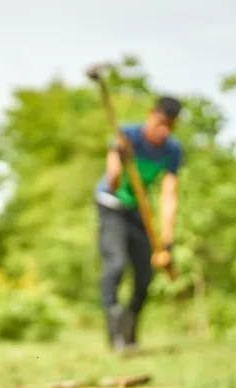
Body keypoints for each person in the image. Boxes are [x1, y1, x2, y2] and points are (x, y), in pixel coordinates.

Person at [93, 96, 183, 353]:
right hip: (110, 204)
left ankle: (129, 332)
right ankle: (115, 335)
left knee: (145, 274)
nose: (164, 130)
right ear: (150, 114)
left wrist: (166, 242)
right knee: (116, 263)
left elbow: (168, 196)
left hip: (138, 212)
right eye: (160, 123)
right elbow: (112, 180)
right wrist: (119, 160)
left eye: (170, 125)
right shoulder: (127, 135)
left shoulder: (172, 150)